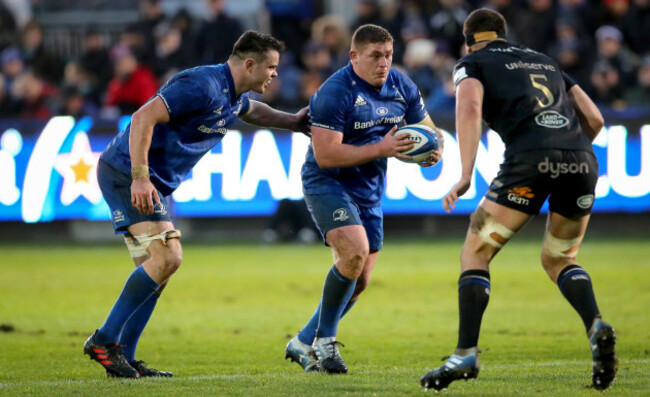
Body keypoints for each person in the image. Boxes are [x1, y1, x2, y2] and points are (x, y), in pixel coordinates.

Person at [84, 30, 310, 379]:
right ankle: (104, 340)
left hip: (146, 180)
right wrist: (140, 176)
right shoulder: (201, 85)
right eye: (272, 66)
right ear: (250, 64)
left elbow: (254, 112)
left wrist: (293, 122)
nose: (276, 74)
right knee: (168, 256)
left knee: (157, 271)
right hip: (125, 173)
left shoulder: (232, 94)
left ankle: (123, 356)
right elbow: (143, 117)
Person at [419, 8, 618, 392]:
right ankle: (595, 325)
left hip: (527, 162)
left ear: (469, 38)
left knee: (475, 252)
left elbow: (470, 106)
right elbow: (593, 119)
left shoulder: (472, 62)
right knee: (560, 258)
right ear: (503, 34)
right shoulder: (545, 61)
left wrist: (464, 175)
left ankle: (465, 354)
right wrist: (564, 156)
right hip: (580, 160)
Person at [285, 24, 444, 374]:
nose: (384, 62)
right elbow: (326, 155)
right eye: (375, 55)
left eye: (388, 55)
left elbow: (430, 129)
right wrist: (385, 148)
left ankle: (301, 341)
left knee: (360, 280)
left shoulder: (401, 85)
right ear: (354, 56)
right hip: (327, 181)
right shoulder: (333, 92)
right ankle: (326, 344)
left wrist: (432, 149)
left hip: (369, 187)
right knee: (353, 251)